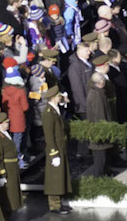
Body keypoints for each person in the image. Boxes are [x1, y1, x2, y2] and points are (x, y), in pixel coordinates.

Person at [42, 85, 72, 213]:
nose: (61, 97)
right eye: (59, 96)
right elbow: (49, 135)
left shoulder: (54, 109)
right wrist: (53, 153)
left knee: (60, 175)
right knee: (54, 177)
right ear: (54, 97)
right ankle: (54, 205)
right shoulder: (48, 113)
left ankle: (59, 202)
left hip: (60, 145)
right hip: (54, 148)